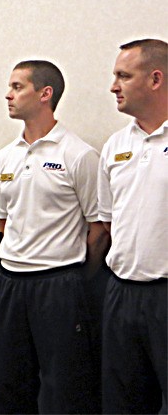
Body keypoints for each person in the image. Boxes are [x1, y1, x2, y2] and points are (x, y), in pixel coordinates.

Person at [0, 60, 109, 414]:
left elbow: (99, 228)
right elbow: (3, 220)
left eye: (17, 87)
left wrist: (70, 276)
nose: (8, 95)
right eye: (9, 87)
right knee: (11, 385)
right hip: (10, 284)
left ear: (45, 94)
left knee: (67, 387)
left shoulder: (79, 154)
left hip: (59, 286)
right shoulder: (4, 157)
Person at [98, 39, 167, 414]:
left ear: (156, 79)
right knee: (123, 404)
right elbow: (107, 220)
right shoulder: (115, 146)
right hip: (122, 295)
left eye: (124, 76)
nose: (114, 86)